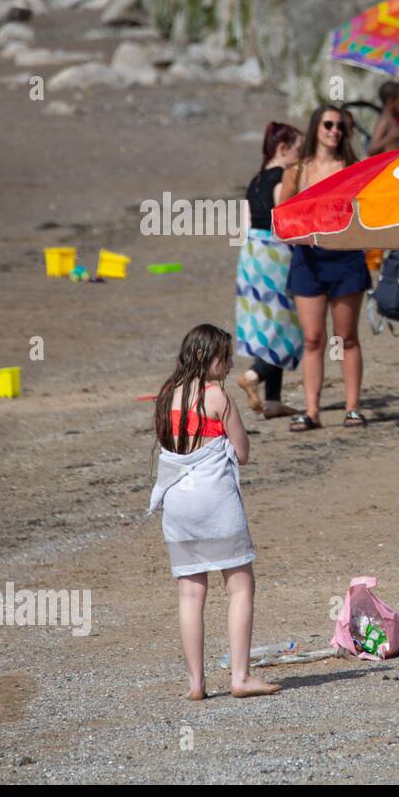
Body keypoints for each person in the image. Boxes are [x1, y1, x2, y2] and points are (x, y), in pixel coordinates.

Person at [148, 324, 279, 700]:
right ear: (207, 358)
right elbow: (241, 452)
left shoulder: (166, 395)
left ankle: (196, 683)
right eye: (227, 356)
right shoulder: (218, 396)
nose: (232, 362)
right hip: (215, 502)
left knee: (190, 592)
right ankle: (240, 677)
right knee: (239, 586)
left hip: (177, 502)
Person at [278, 105, 369, 431]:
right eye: (329, 124)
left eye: (340, 126)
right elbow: (282, 214)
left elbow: (367, 212)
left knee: (345, 337)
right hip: (308, 259)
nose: (335, 131)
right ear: (316, 127)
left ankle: (353, 408)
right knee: (314, 338)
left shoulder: (353, 168)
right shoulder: (298, 170)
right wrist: (297, 235)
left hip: (346, 257)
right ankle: (312, 411)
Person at [235, 121, 304, 419]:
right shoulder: (282, 180)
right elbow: (285, 223)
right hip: (276, 256)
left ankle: (273, 401)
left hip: (251, 254)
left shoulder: (256, 179)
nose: (301, 157)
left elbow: (248, 221)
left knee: (267, 327)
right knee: (288, 325)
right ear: (283, 149)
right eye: (299, 150)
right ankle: (253, 376)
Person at [367, 81, 399, 155]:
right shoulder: (384, 120)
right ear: (390, 101)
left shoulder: (391, 119)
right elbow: (371, 149)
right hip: (388, 164)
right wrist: (389, 138)